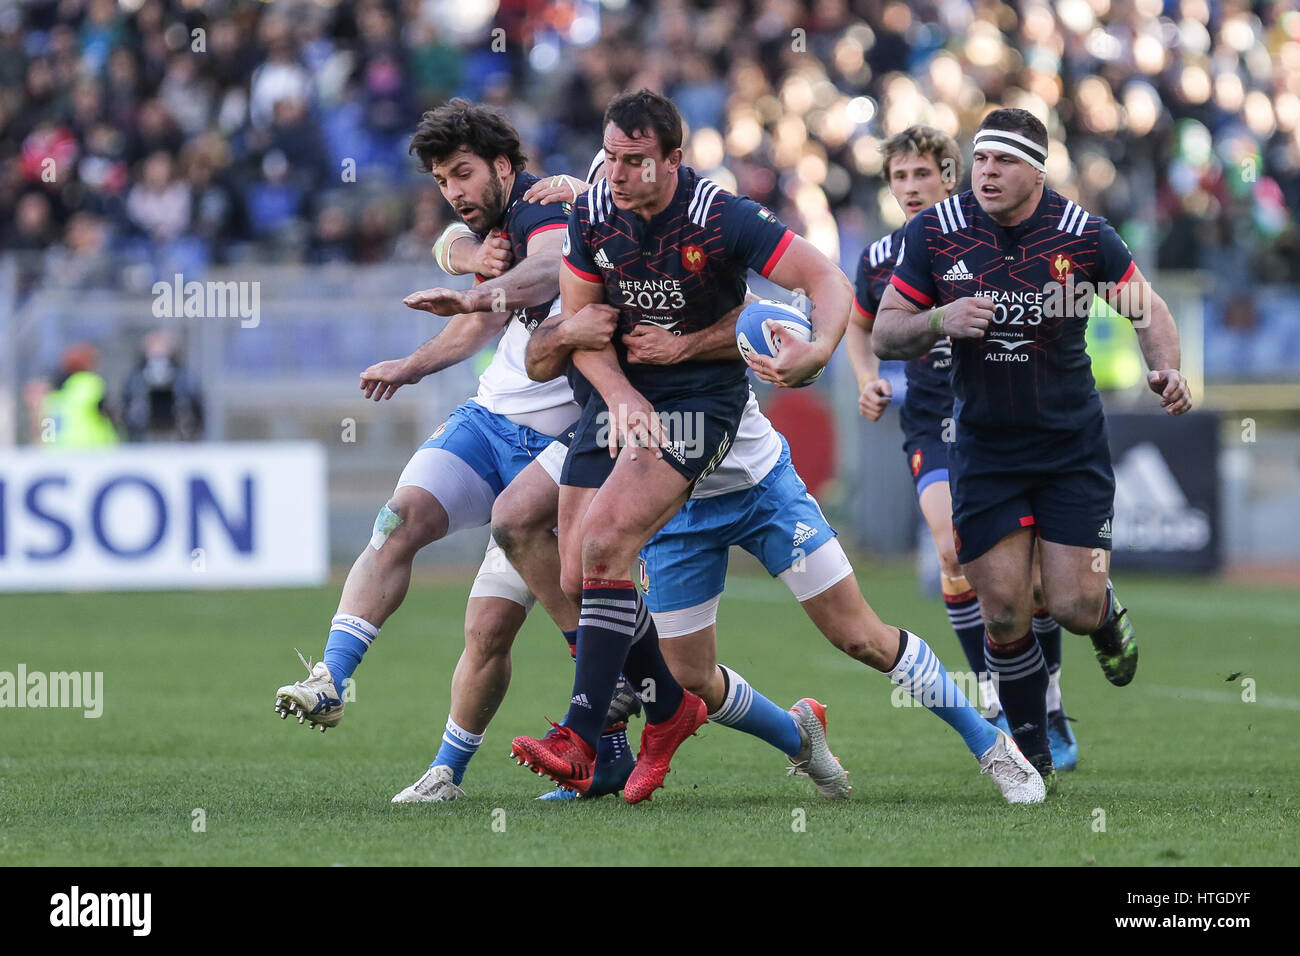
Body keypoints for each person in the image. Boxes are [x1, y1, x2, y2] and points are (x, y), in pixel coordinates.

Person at [488, 156, 1045, 807]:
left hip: (756, 485)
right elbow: (542, 353)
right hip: (675, 509)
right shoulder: (593, 268)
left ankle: (991, 745)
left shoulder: (693, 256)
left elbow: (768, 315)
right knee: (690, 676)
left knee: (858, 635)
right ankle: (798, 736)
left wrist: (743, 347)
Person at [272, 101, 585, 806]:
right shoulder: (494, 224)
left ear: (506, 165)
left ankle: (567, 743)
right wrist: (414, 361)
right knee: (398, 519)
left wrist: (483, 285)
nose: (456, 192)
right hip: (490, 420)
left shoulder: (545, 207)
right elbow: (466, 272)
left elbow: (540, 276)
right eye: (444, 180)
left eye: (465, 174)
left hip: (557, 449)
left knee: (489, 628)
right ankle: (331, 680)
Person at [872, 109, 1192, 787]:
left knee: (1072, 605)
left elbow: (1149, 310)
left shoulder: (1081, 235)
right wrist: (939, 318)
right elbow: (886, 333)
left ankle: (1106, 620)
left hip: (1070, 447)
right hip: (984, 449)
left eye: (1004, 162)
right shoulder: (937, 232)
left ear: (1037, 172)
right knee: (1007, 610)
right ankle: (1029, 754)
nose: (986, 172)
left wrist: (1166, 369)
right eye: (981, 159)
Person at [846, 126, 1078, 772]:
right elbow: (860, 327)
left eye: (923, 174)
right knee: (954, 553)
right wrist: (869, 381)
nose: (911, 187)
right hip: (933, 423)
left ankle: (1050, 705)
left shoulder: (992, 235)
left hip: (1004, 419)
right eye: (899, 177)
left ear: (952, 176)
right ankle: (996, 699)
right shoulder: (880, 257)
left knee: (1031, 581)